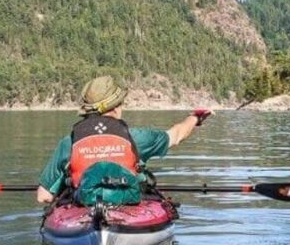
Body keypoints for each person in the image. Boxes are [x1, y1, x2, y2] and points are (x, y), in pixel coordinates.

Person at [36, 76, 213, 204]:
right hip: (127, 210)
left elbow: (43, 196)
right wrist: (195, 118)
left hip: (84, 210)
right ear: (114, 109)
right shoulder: (135, 138)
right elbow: (176, 135)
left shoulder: (69, 142)